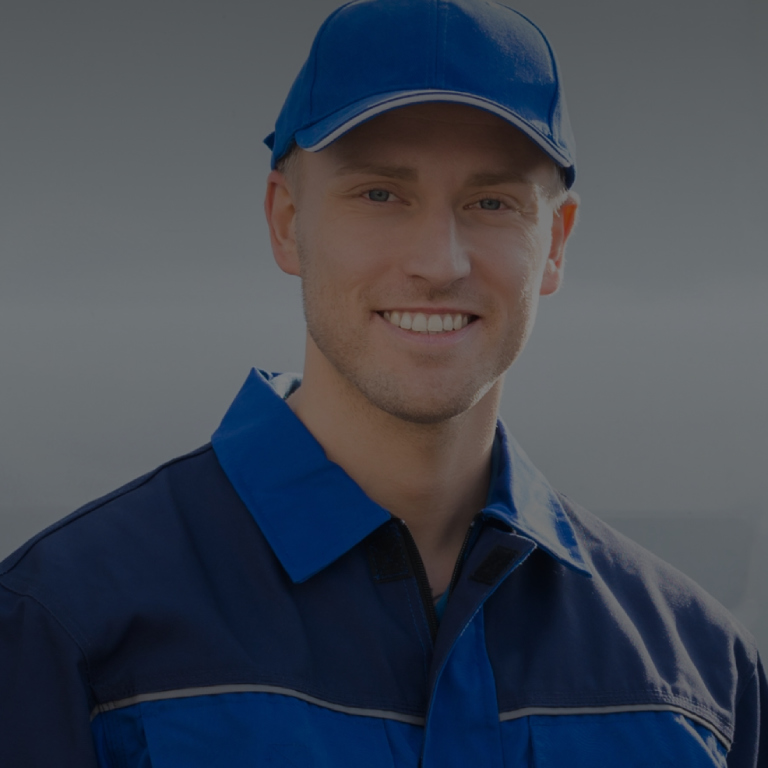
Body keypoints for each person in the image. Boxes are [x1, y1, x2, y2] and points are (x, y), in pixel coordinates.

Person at [1, 0, 765, 765]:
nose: (440, 262)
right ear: (285, 220)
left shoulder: (700, 681)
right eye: (380, 195)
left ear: (555, 245)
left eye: (491, 202)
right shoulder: (64, 629)